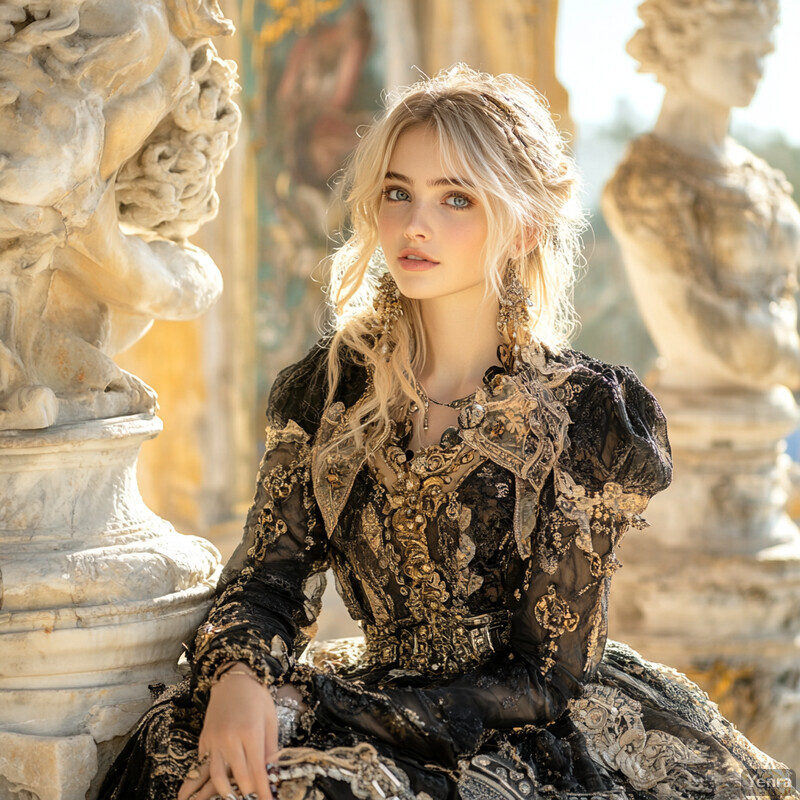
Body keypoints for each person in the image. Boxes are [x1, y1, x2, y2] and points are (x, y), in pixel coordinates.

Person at [100, 65, 795, 800]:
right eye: (398, 193)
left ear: (524, 223)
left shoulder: (587, 414)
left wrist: (317, 708)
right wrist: (241, 680)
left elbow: (544, 677)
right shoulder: (329, 389)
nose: (415, 225)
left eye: (455, 197)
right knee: (185, 755)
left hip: (516, 731)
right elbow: (268, 579)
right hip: (367, 687)